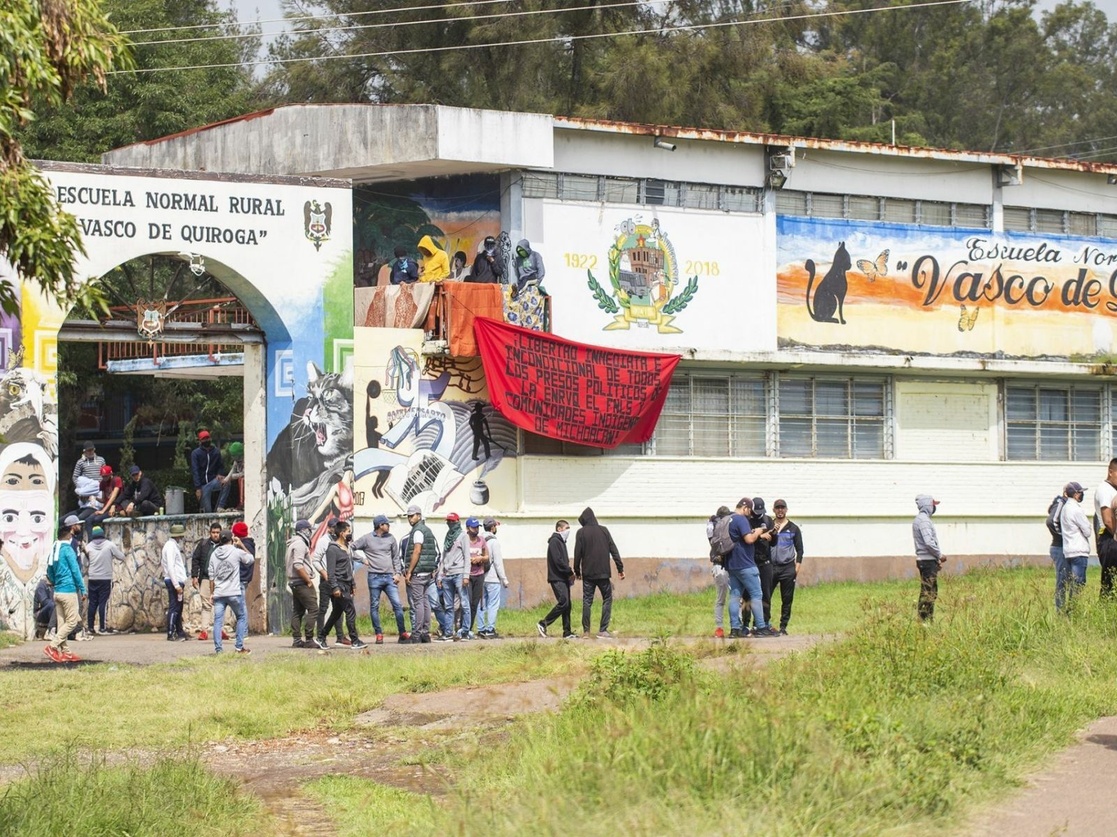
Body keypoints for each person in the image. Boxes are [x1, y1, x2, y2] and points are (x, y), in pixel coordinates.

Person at [352, 514, 409, 644]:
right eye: (386, 524)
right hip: (374, 577)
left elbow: (396, 557)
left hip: (390, 577)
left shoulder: (391, 538)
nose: (389, 526)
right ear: (380, 525)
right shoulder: (367, 539)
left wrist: (397, 573)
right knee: (374, 606)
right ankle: (379, 634)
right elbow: (350, 548)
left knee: (397, 605)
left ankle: (402, 633)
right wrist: (361, 559)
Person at [573, 507, 624, 638]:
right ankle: (603, 630)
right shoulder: (604, 530)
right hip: (603, 573)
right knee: (607, 598)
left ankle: (586, 631)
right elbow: (614, 549)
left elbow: (577, 553)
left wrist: (577, 571)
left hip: (588, 574)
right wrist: (620, 569)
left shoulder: (581, 533)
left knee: (587, 601)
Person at [726, 498, 774, 638]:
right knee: (756, 595)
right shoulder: (740, 519)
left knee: (735, 596)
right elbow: (749, 539)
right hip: (745, 564)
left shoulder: (728, 519)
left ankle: (734, 629)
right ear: (745, 507)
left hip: (732, 564)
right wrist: (758, 531)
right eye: (749, 510)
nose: (749, 514)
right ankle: (761, 627)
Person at [318, 520, 367, 649]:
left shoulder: (347, 548)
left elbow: (349, 569)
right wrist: (335, 587)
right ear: (341, 533)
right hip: (338, 585)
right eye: (348, 532)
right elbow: (331, 571)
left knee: (336, 613)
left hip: (346, 584)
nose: (350, 534)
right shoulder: (332, 549)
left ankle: (321, 637)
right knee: (350, 611)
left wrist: (353, 584)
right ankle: (355, 640)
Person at [207, 529, 254, 654]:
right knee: (241, 617)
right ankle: (239, 647)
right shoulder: (236, 552)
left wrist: (212, 593)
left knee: (217, 622)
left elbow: (211, 576)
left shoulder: (214, 554)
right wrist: (241, 545)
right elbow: (250, 559)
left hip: (219, 593)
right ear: (231, 539)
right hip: (233, 592)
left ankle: (218, 650)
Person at [44, 523, 86, 663]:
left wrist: (55, 581)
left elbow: (49, 570)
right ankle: (52, 646)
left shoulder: (54, 549)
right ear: (68, 535)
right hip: (68, 592)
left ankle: (66, 653)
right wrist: (83, 588)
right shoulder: (68, 550)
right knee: (72, 622)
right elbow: (75, 571)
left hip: (57, 592)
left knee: (62, 625)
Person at [402, 504, 439, 644]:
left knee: (418, 603)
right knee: (425, 602)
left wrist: (409, 572)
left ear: (419, 515)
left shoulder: (417, 531)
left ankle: (417, 635)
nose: (410, 518)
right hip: (427, 572)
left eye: (412, 516)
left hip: (418, 573)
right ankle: (425, 633)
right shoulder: (427, 530)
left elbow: (417, 551)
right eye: (409, 516)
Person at [310, 519, 348, 646]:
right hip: (326, 580)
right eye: (333, 527)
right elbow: (316, 560)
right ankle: (321, 637)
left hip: (339, 580)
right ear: (329, 528)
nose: (335, 530)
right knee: (323, 608)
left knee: (339, 608)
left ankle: (340, 637)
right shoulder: (323, 541)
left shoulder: (341, 542)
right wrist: (324, 573)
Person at [770, 499, 804, 635]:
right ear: (773, 510)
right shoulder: (769, 525)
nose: (780, 510)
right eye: (777, 508)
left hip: (787, 568)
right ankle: (764, 624)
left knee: (787, 599)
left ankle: (783, 627)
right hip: (771, 567)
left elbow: (800, 550)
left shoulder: (793, 528)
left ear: (786, 510)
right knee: (765, 597)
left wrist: (796, 568)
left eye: (782, 508)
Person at [538, 520, 576, 639]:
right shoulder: (555, 541)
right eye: (566, 528)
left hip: (563, 578)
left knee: (567, 605)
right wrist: (569, 571)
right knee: (563, 602)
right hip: (557, 578)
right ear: (559, 529)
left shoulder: (561, 542)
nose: (568, 531)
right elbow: (558, 561)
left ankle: (567, 631)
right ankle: (543, 623)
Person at [84, 525, 123, 635]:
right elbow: (121, 556)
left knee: (92, 603)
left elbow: (85, 563)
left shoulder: (88, 547)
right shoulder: (109, 545)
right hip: (105, 578)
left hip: (93, 578)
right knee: (103, 603)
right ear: (103, 534)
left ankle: (90, 628)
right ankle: (102, 628)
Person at [439, 512, 472, 640]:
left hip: (459, 574)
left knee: (464, 603)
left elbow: (467, 557)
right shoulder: (448, 536)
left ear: (457, 522)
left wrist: (466, 575)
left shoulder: (463, 536)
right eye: (448, 521)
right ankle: (448, 632)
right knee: (448, 605)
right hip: (447, 574)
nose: (450, 524)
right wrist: (440, 575)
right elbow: (444, 556)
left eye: (452, 521)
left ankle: (465, 631)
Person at [1058, 482, 1091, 613]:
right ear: (1076, 494)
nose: (1082, 494)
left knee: (1071, 582)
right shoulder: (1076, 509)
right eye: (1080, 492)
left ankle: (1069, 609)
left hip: (1068, 550)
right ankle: (1073, 611)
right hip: (1079, 550)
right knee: (1078, 583)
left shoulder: (1065, 508)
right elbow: (1087, 530)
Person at [913, 494, 945, 622]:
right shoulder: (924, 521)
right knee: (928, 592)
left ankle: (926, 619)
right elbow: (929, 542)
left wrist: (935, 560)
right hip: (927, 561)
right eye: (933, 505)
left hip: (927, 560)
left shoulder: (920, 520)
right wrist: (939, 555)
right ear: (927, 505)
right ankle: (924, 621)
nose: (933, 508)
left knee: (930, 591)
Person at [285, 519, 318, 648]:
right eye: (309, 530)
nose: (310, 533)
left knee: (298, 611)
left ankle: (297, 639)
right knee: (314, 609)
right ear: (304, 531)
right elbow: (298, 565)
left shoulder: (293, 543)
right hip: (301, 582)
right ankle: (309, 638)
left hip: (294, 582)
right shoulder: (299, 544)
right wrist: (308, 580)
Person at [477, 517, 509, 639]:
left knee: (481, 604)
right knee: (493, 604)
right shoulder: (494, 542)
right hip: (492, 577)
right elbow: (498, 562)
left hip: (480, 576)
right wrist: (504, 579)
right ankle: (490, 629)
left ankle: (481, 629)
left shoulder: (479, 539)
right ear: (492, 527)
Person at [747, 497, 775, 632]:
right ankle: (746, 625)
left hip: (766, 562)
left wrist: (773, 535)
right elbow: (746, 539)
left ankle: (764, 622)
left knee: (766, 593)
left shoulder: (768, 520)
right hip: (751, 562)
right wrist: (760, 536)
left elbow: (773, 542)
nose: (758, 514)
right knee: (748, 594)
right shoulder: (747, 520)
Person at [192, 522, 223, 640]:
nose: (215, 535)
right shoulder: (203, 544)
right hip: (205, 578)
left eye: (217, 533)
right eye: (213, 532)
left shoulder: (223, 545)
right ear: (210, 533)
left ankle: (220, 630)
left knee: (221, 605)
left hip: (220, 579)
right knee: (206, 605)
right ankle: (204, 630)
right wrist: (194, 576)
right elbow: (195, 559)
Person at [707, 506, 733, 638]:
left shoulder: (715, 526)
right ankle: (720, 627)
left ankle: (734, 626)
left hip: (728, 564)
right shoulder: (714, 527)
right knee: (722, 598)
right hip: (720, 564)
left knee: (732, 597)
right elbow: (713, 543)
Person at [161, 523, 189, 641]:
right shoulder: (171, 547)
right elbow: (171, 567)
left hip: (175, 580)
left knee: (179, 606)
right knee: (174, 607)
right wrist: (176, 585)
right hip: (174, 580)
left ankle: (179, 631)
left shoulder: (172, 545)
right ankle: (171, 632)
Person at [190, 429, 230, 513]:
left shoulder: (216, 452)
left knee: (226, 482)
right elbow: (195, 470)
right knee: (207, 511)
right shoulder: (196, 453)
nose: (206, 440)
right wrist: (198, 488)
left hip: (213, 481)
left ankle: (220, 507)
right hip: (203, 485)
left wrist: (220, 474)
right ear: (200, 441)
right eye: (204, 439)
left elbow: (220, 466)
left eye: (208, 438)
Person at [1093, 458, 1117, 597]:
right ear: (1111, 472)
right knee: (1109, 583)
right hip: (1110, 540)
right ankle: (1106, 613)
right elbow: (1108, 520)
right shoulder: (1105, 490)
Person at [465, 517, 489, 635]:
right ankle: (462, 627)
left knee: (475, 603)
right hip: (467, 575)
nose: (476, 530)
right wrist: (469, 560)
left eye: (477, 527)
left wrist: (480, 558)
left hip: (479, 574)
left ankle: (469, 628)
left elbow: (487, 556)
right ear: (467, 528)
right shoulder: (464, 540)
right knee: (467, 602)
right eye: (473, 527)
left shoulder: (482, 540)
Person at [231, 521, 255, 621]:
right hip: (242, 577)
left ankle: (243, 631)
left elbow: (250, 558)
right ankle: (241, 628)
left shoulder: (246, 545)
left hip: (241, 577)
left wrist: (241, 545)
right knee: (238, 605)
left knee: (241, 605)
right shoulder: (246, 543)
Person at [33, 576, 54, 640]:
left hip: (51, 609)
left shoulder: (55, 584)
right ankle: (50, 631)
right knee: (52, 605)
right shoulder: (41, 585)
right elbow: (44, 601)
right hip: (40, 612)